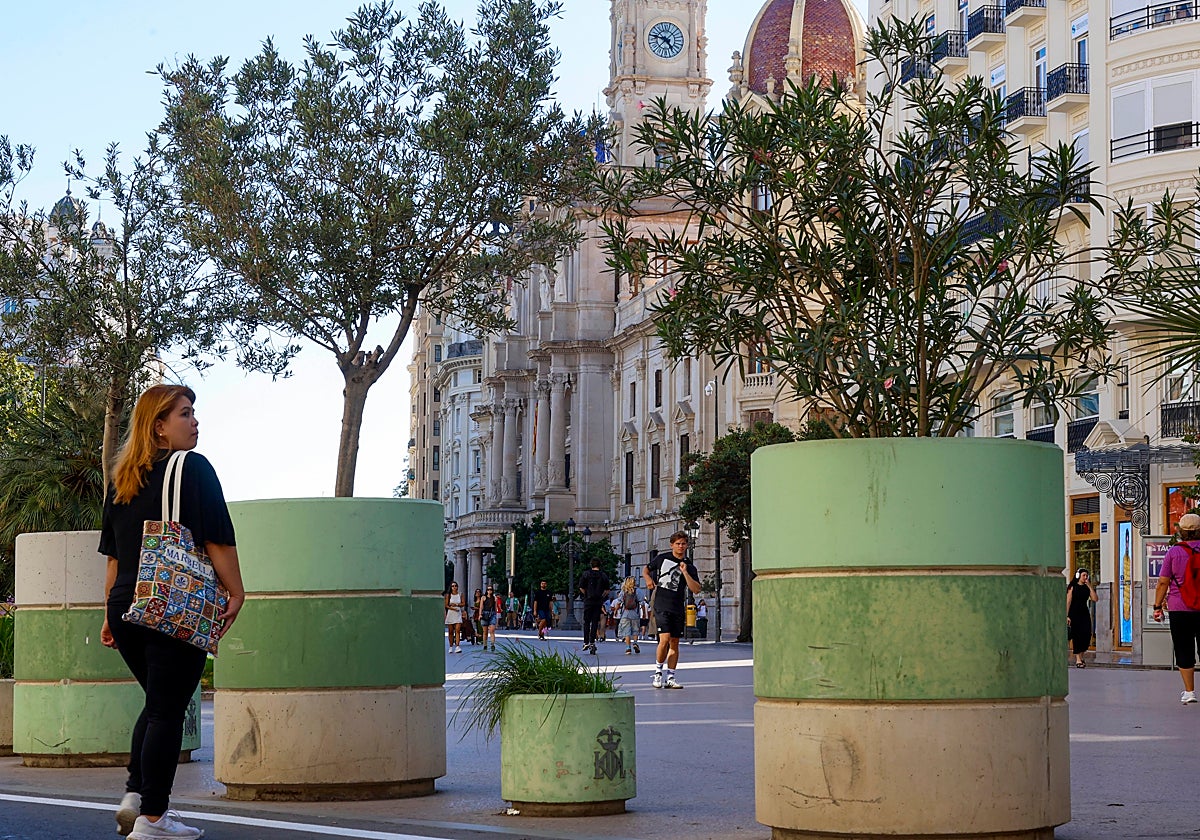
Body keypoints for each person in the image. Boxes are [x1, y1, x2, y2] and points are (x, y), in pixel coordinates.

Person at [100, 384, 245, 840]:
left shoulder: (122, 481)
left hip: (125, 605)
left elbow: (114, 559)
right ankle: (153, 818)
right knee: (167, 710)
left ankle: (136, 796)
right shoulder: (193, 468)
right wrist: (236, 591)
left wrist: (108, 615)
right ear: (159, 427)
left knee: (158, 703)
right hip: (170, 602)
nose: (195, 421)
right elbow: (218, 538)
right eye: (185, 413)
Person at [1152, 512, 1200, 703]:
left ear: (1181, 531)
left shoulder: (1174, 552)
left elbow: (1163, 582)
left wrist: (1157, 606)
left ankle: (1189, 692)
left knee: (1183, 647)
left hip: (1179, 608)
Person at [644, 530, 700, 689]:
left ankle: (671, 677)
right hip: (661, 604)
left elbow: (696, 589)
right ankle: (658, 673)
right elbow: (646, 569)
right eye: (678, 544)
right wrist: (648, 579)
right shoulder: (662, 558)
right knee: (664, 639)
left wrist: (685, 572)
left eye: (683, 544)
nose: (680, 546)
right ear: (672, 545)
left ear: (687, 545)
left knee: (674, 642)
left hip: (677, 607)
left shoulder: (689, 566)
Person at [579, 558, 611, 654]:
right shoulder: (603, 575)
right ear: (600, 565)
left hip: (588, 600)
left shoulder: (586, 574)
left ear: (591, 565)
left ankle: (586, 642)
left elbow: (581, 587)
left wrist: (586, 594)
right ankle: (592, 641)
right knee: (595, 622)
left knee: (586, 622)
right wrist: (601, 596)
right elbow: (607, 590)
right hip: (598, 601)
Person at [1066, 569, 1096, 668]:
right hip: (1074, 614)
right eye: (1084, 575)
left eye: (1087, 575)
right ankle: (1078, 659)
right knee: (1077, 636)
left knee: (1086, 635)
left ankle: (1081, 657)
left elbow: (1095, 598)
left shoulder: (1087, 587)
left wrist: (1089, 586)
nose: (1085, 577)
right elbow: (1068, 602)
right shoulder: (1072, 587)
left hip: (1084, 613)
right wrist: (1066, 615)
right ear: (1078, 576)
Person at [617, 578, 641, 655]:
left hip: (625, 613)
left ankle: (628, 648)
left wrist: (615, 611)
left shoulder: (623, 591)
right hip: (635, 613)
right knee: (635, 630)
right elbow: (642, 603)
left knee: (626, 631)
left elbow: (619, 602)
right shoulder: (638, 591)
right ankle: (635, 643)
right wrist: (643, 613)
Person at [477, 585, 501, 651]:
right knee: (485, 631)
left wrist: (496, 616)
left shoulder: (494, 598)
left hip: (492, 614)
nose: (489, 591)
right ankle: (485, 645)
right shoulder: (483, 597)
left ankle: (492, 644)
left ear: (492, 591)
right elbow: (481, 607)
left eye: (490, 590)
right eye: (488, 589)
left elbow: (495, 608)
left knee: (492, 630)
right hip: (484, 614)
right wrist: (480, 614)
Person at [445, 582, 463, 653]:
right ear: (451, 587)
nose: (454, 587)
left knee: (457, 630)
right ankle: (451, 646)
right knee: (450, 631)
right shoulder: (448, 595)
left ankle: (457, 646)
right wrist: (453, 608)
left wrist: (456, 605)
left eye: (455, 586)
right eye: (453, 586)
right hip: (451, 613)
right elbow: (446, 605)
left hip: (458, 613)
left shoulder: (460, 594)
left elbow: (463, 603)